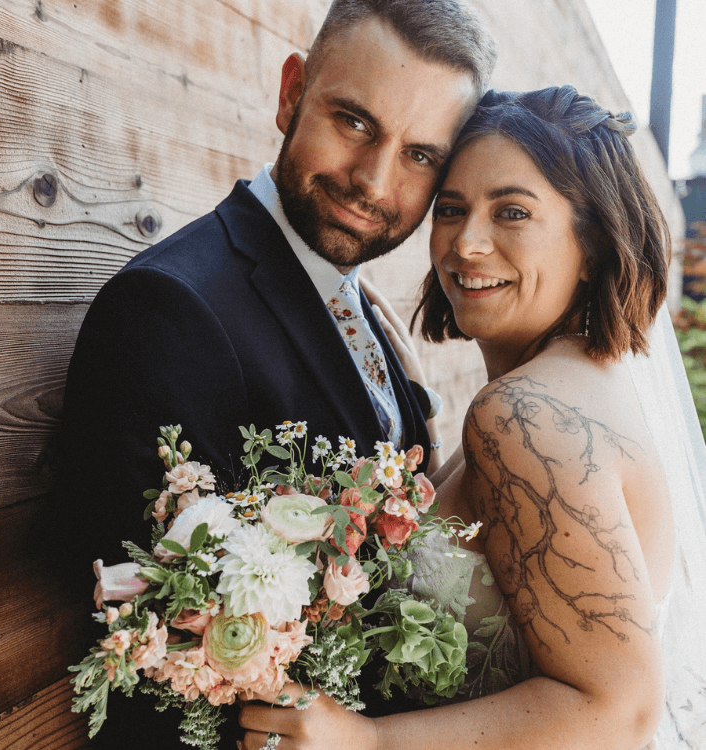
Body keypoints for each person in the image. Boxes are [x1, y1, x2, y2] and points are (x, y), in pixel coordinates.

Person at [56, 1, 496, 747]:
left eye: (420, 155)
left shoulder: (358, 302)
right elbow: (162, 669)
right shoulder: (170, 311)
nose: (374, 182)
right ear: (292, 91)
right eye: (354, 121)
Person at [237, 87, 706, 749]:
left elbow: (619, 711)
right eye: (451, 210)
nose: (467, 243)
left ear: (593, 242)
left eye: (511, 211)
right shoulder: (580, 383)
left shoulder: (524, 415)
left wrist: (367, 743)